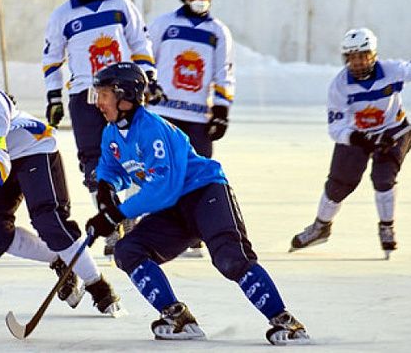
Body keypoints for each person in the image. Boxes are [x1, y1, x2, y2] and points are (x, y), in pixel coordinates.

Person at [85, 62, 310, 344]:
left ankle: (286, 321)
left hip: (205, 193)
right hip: (175, 209)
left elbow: (163, 188)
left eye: (104, 94)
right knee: (129, 249)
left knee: (231, 258)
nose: (98, 103)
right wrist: (106, 192)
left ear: (125, 95)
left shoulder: (153, 129)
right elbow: (112, 168)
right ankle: (177, 317)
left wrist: (115, 214)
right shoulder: (111, 133)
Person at [0, 45, 122, 316]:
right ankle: (60, 259)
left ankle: (98, 286)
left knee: (48, 221)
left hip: (32, 150)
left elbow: (0, 159)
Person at [42, 0, 165, 256]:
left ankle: (133, 218)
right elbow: (52, 60)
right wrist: (54, 96)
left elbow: (140, 42)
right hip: (85, 96)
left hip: (123, 91)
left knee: (136, 154)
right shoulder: (61, 15)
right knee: (94, 162)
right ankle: (111, 224)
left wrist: (148, 76)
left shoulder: (120, 4)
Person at [290, 28, 411, 257]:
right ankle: (321, 227)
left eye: (362, 56)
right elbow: (336, 128)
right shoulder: (339, 86)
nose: (357, 62)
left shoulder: (393, 70)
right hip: (358, 134)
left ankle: (386, 227)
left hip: (394, 130)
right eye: (352, 57)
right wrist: (362, 140)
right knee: (339, 183)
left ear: (373, 55)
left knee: (383, 176)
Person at [147, 0, 235, 257]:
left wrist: (222, 109)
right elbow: (146, 60)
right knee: (156, 169)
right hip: (164, 112)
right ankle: (151, 225)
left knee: (197, 175)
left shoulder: (218, 32)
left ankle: (195, 230)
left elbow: (224, 72)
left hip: (197, 116)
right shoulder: (163, 24)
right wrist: (147, 87)